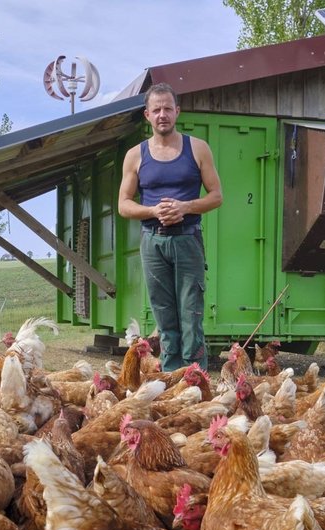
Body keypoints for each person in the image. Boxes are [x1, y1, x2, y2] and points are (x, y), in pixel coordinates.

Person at [117, 82, 223, 371]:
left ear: (177, 111)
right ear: (147, 115)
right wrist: (152, 210)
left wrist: (185, 207)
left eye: (167, 108)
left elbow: (216, 196)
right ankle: (171, 378)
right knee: (164, 315)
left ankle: (194, 376)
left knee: (191, 313)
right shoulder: (135, 155)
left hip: (188, 238)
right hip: (153, 241)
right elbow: (123, 204)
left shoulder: (198, 148)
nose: (162, 114)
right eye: (156, 109)